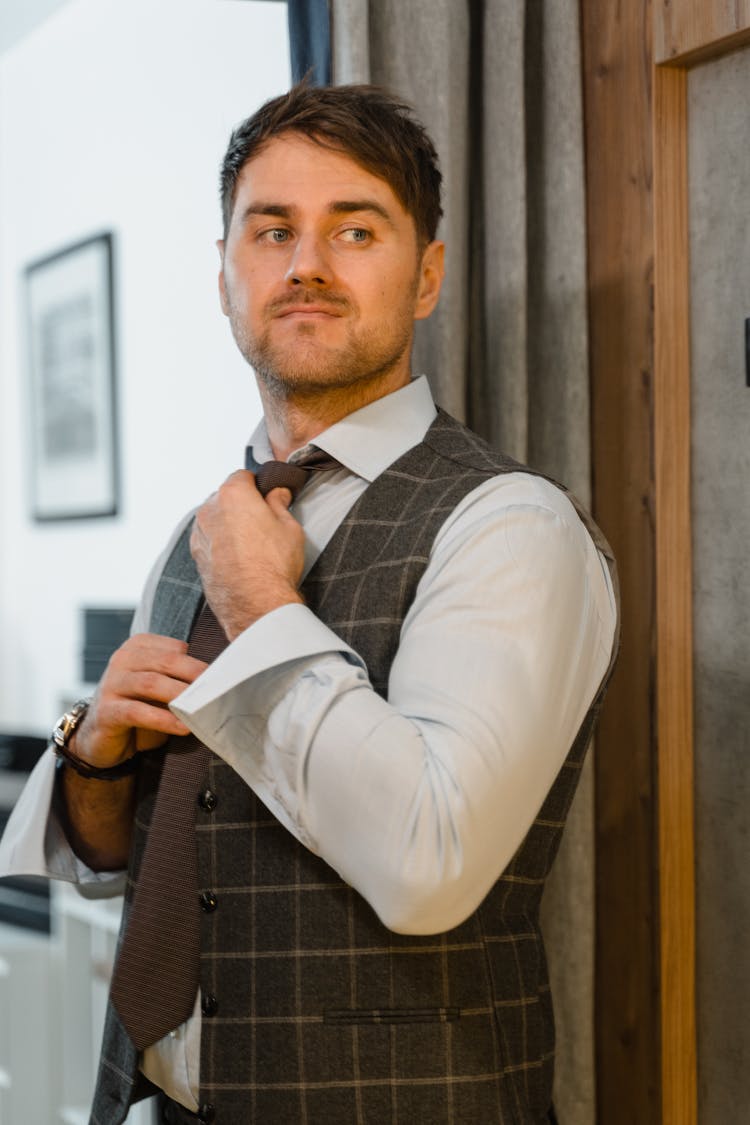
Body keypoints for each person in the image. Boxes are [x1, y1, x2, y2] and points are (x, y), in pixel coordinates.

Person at [0, 84, 618, 1125]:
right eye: (272, 230)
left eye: (356, 229)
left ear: (426, 276)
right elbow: (149, 860)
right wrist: (93, 756)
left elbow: (430, 864)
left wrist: (257, 603)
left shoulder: (512, 526)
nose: (307, 265)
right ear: (226, 275)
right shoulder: (199, 534)